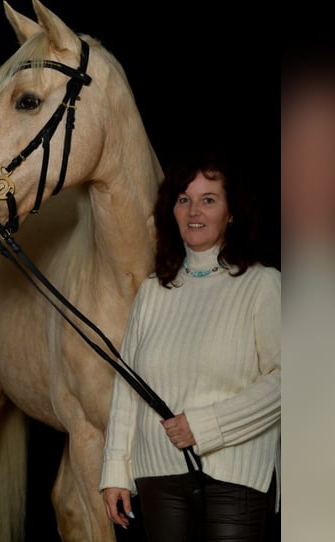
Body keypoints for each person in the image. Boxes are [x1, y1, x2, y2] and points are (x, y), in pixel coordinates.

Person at [99, 150, 281, 541]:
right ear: (173, 211)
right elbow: (127, 391)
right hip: (158, 477)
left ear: (231, 213)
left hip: (235, 475)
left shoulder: (262, 285)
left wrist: (205, 425)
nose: (194, 210)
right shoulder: (151, 292)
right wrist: (115, 472)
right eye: (184, 199)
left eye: (209, 199)